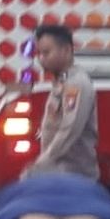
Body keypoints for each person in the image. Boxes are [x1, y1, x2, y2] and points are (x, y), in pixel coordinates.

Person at [23, 24, 98, 179]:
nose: (41, 59)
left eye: (46, 53)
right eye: (39, 53)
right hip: (59, 173)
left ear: (66, 50)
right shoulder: (62, 82)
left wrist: (43, 162)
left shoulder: (76, 84)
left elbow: (69, 129)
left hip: (74, 175)